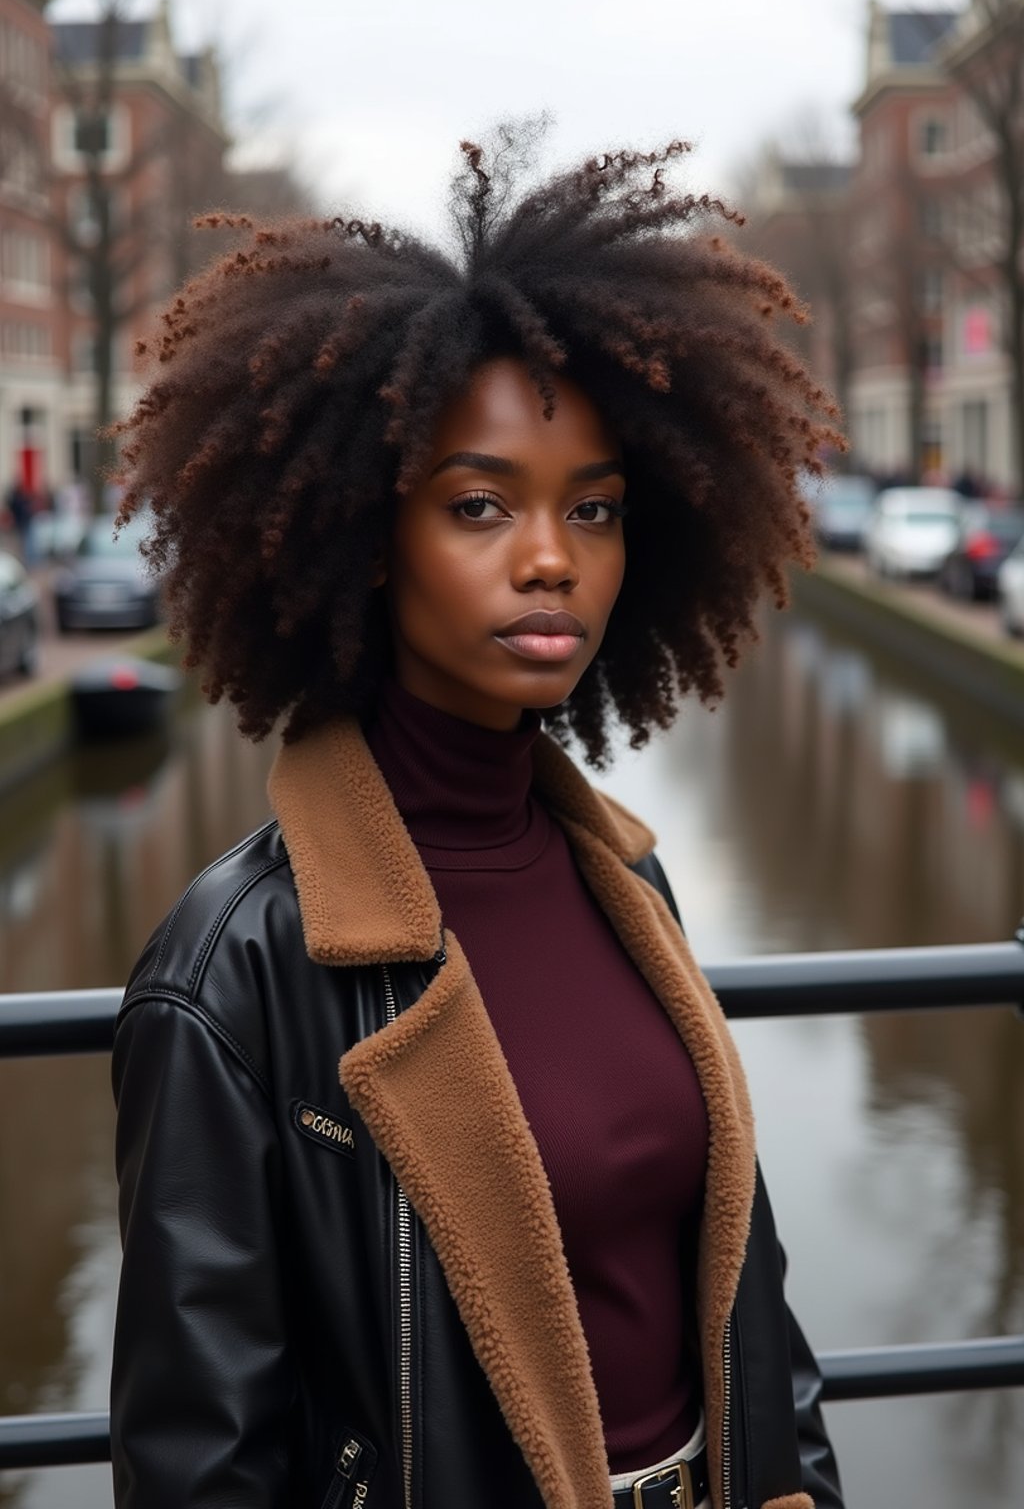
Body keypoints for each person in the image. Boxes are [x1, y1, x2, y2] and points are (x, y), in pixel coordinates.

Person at [110, 135, 846, 1509]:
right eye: (479, 506)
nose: (553, 557)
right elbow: (199, 1465)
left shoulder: (630, 882)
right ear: (357, 538)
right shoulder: (238, 970)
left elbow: (750, 1297)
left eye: (597, 509)